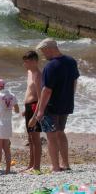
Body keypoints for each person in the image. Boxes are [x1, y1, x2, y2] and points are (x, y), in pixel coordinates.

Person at [35, 38, 79, 172]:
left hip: (51, 106)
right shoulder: (71, 61)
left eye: (43, 51)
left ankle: (55, 166)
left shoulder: (51, 66)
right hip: (66, 103)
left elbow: (47, 90)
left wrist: (41, 110)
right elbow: (74, 81)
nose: (43, 54)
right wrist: (70, 97)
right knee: (60, 132)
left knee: (51, 135)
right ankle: (65, 164)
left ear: (50, 49)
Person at [22, 51, 42, 174]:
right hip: (28, 107)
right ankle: (31, 164)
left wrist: (35, 116)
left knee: (35, 138)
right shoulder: (29, 72)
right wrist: (25, 109)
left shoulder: (39, 75)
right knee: (30, 138)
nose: (25, 64)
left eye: (27, 62)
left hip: (35, 107)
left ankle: (37, 167)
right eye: (24, 62)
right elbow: (29, 91)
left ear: (35, 61)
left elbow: (41, 97)